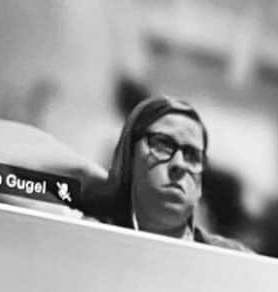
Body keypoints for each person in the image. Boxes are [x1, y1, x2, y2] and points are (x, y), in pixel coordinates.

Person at [73, 96, 245, 250]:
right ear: (129, 156)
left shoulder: (240, 262)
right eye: (162, 144)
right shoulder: (85, 241)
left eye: (192, 155)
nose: (179, 164)